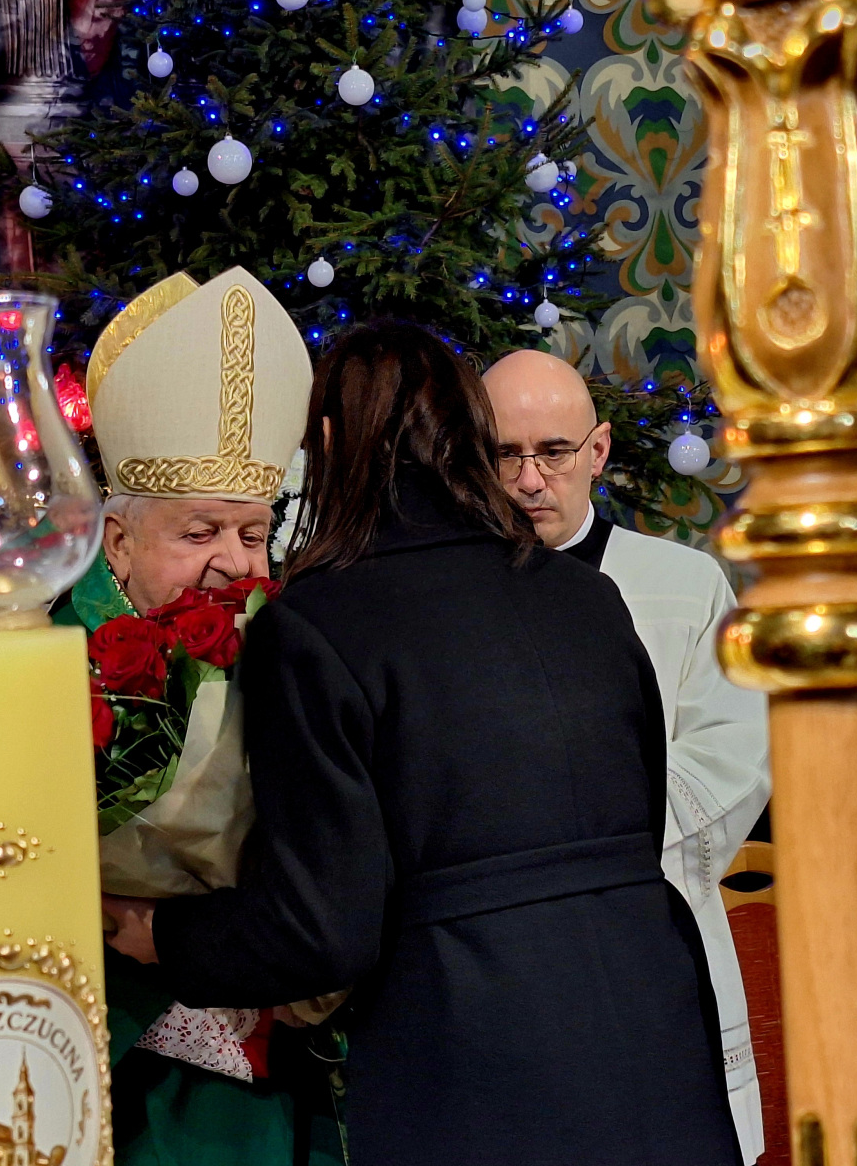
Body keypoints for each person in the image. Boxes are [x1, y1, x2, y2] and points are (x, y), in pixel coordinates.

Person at [105, 320, 741, 1166]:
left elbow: (326, 929)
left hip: (472, 1044)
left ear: (329, 443)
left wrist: (165, 936)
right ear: (473, 436)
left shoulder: (319, 624)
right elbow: (643, 811)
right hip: (652, 1020)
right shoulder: (587, 596)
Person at [53, 266, 339, 1166]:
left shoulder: (292, 645)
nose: (233, 564)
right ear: (118, 540)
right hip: (116, 1039)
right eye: (198, 532)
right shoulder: (47, 662)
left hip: (277, 1014)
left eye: (252, 535)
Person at [480, 349, 770, 1165]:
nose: (529, 480)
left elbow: (733, 763)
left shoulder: (683, 585)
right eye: (504, 455)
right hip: (502, 969)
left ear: (598, 451)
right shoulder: (444, 601)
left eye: (553, 453)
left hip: (651, 940)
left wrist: (586, 854)